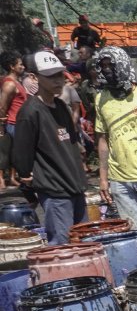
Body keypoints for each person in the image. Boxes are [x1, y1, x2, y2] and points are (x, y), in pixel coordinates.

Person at [13, 52, 88, 245]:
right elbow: (22, 155)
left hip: (75, 187)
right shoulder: (30, 112)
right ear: (34, 77)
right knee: (62, 246)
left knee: (85, 242)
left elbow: (70, 143)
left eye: (59, 75)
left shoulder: (61, 106)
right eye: (51, 76)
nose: (58, 80)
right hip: (55, 191)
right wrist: (27, 175)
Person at [94, 46, 137, 231]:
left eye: (111, 65)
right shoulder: (101, 99)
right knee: (133, 231)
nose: (107, 70)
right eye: (103, 66)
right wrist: (103, 179)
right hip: (119, 180)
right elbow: (102, 140)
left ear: (123, 65)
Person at [0, 52, 28, 189]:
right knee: (20, 155)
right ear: (12, 66)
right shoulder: (9, 85)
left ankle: (23, 180)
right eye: (20, 64)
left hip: (21, 124)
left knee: (22, 154)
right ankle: (26, 183)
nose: (23, 66)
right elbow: (2, 107)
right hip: (14, 124)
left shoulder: (17, 82)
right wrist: (1, 126)